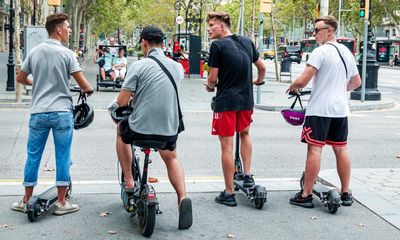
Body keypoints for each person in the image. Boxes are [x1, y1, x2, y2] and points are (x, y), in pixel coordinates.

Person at [108, 25, 192, 229]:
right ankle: (182, 198)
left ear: (144, 43)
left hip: (140, 129)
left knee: (121, 131)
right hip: (168, 129)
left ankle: (129, 182)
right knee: (171, 157)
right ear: (163, 44)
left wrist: (113, 108)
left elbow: (122, 100)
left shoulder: (138, 66)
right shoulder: (177, 68)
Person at [12, 13, 93, 215]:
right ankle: (61, 202)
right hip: (61, 113)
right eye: (68, 27)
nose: (70, 30)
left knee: (33, 156)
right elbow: (85, 85)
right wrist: (87, 89)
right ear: (58, 30)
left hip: (38, 112)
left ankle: (26, 200)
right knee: (62, 156)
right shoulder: (67, 54)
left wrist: (37, 83)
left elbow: (21, 77)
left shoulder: (35, 51)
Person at [286, 16, 361, 208]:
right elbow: (356, 82)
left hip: (319, 110)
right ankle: (346, 193)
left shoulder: (320, 52)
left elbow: (303, 81)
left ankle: (306, 194)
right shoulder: (346, 52)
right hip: (340, 110)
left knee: (315, 149)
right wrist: (337, 91)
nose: (314, 34)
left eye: (317, 30)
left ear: (330, 31)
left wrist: (292, 86)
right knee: (341, 148)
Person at [205, 12, 266, 207]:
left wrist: (209, 86)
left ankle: (229, 192)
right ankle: (247, 176)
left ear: (222, 27)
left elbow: (213, 78)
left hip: (226, 101)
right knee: (245, 134)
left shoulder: (217, 46)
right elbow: (262, 68)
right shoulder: (247, 41)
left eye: (212, 25)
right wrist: (258, 81)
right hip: (246, 99)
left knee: (227, 145)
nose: (209, 29)